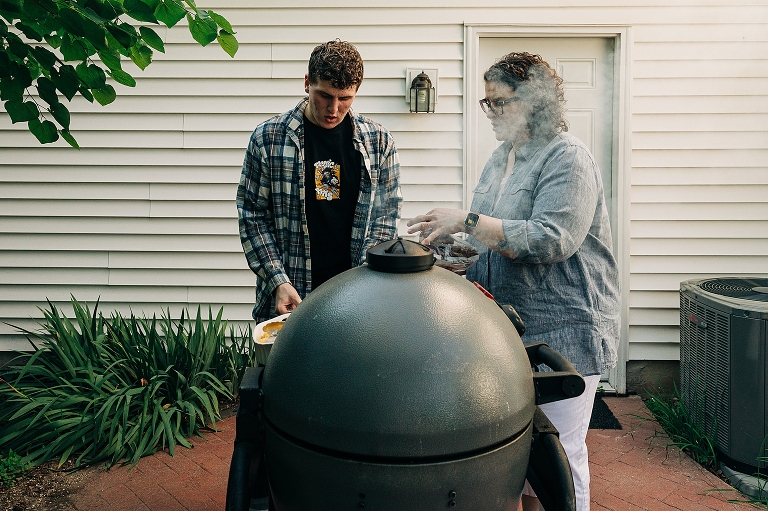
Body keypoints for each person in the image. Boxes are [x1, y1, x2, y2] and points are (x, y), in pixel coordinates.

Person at [407, 52, 620, 511]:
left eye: (499, 103)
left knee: (558, 456)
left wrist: (464, 217)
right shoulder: (502, 158)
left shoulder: (569, 159)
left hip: (565, 333)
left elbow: (551, 239)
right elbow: (489, 236)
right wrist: (452, 255)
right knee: (522, 460)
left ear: (535, 102)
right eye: (487, 104)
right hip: (508, 333)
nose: (491, 114)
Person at [237, 39, 403, 323]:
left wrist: (363, 280)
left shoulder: (379, 142)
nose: (334, 109)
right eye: (324, 95)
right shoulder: (267, 138)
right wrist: (278, 280)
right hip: (288, 298)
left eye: (345, 98)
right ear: (306, 83)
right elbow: (252, 216)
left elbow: (385, 219)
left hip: (357, 302)